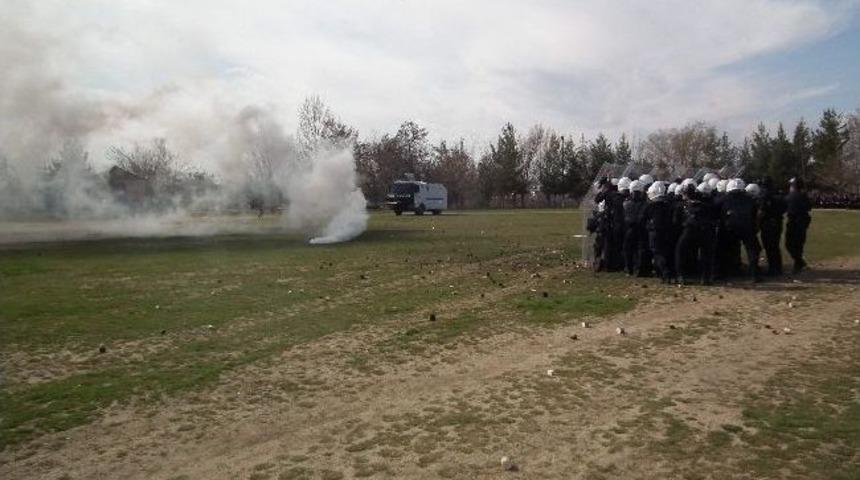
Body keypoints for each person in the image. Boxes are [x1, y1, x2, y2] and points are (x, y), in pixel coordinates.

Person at [674, 182, 716, 285]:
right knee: (706, 254)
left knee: (680, 252)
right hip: (704, 231)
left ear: (684, 193)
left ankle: (681, 276)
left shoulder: (681, 205)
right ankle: (705, 278)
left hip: (689, 231)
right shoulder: (705, 205)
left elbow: (675, 222)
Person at [721, 179, 762, 282]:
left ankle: (733, 271)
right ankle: (754, 274)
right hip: (747, 227)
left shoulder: (724, 199)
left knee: (731, 249)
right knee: (751, 250)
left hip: (731, 227)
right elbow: (755, 213)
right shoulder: (750, 199)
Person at [642, 181, 674, 283]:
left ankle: (665, 272)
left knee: (657, 253)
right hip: (667, 232)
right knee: (665, 252)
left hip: (654, 232)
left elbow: (642, 218)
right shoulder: (668, 205)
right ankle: (665, 273)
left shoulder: (650, 206)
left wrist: (648, 226)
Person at [757, 177, 787, 275]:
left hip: (768, 223)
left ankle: (773, 269)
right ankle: (777, 267)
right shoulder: (777, 193)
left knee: (769, 246)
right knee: (775, 246)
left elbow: (761, 211)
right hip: (778, 221)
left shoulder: (764, 195)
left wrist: (757, 221)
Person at [622, 180, 650, 276]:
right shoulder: (645, 203)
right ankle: (640, 269)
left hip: (630, 228)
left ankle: (629, 269)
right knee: (641, 249)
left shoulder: (626, 203)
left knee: (628, 249)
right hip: (642, 229)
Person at [785, 177, 812, 273]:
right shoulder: (803, 196)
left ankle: (798, 263)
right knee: (799, 245)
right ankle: (799, 263)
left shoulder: (790, 196)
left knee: (790, 244)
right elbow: (809, 208)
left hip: (795, 222)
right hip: (803, 222)